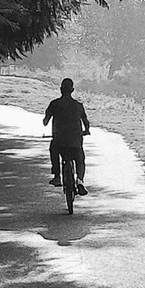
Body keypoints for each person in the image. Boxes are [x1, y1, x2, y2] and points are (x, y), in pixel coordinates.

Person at [43, 76, 91, 209]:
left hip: (59, 140)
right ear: (72, 90)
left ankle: (57, 175)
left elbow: (45, 121)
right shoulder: (78, 105)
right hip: (75, 140)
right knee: (80, 160)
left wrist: (48, 118)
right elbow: (86, 122)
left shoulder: (54, 104)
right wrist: (86, 131)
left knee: (53, 149)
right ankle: (80, 181)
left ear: (60, 90)